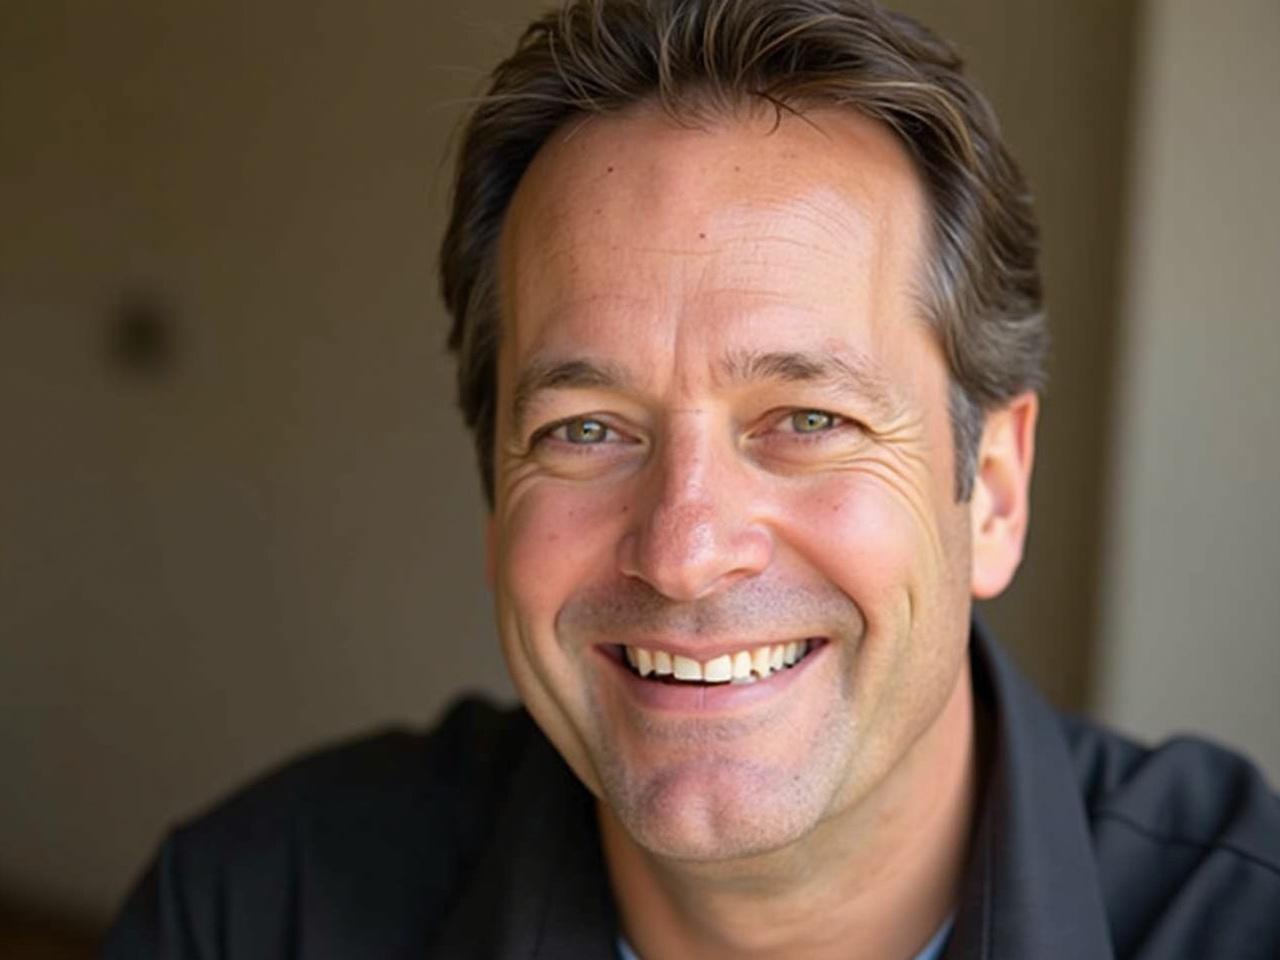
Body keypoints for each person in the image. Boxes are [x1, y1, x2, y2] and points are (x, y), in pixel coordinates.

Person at [104, 1, 1280, 957]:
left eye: (805, 418)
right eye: (586, 429)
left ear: (994, 488)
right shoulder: (253, 916)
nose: (682, 547)